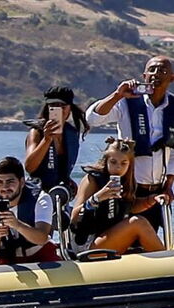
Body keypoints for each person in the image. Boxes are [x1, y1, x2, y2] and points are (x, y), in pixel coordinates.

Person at [86, 56, 174, 230]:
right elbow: (92, 119)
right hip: (128, 189)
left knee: (151, 245)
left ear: (171, 78)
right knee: (123, 237)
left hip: (157, 192)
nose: (156, 74)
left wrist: (168, 186)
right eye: (152, 70)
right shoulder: (127, 101)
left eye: (162, 70)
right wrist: (117, 95)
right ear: (144, 75)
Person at [70, 138, 163, 254]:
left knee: (139, 222)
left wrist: (151, 199)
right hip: (86, 243)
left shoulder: (126, 181)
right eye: (113, 162)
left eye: (123, 163)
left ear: (129, 165)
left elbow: (130, 207)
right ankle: (168, 262)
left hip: (108, 236)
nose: (118, 167)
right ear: (106, 161)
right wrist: (97, 198)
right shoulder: (92, 180)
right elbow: (74, 217)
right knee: (138, 223)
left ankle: (162, 262)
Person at [0, 157, 61, 265]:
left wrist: (17, 225)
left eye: (10, 182)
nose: (5, 187)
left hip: (38, 253)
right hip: (4, 255)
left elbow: (42, 238)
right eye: (0, 182)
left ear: (22, 182)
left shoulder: (40, 198)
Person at [24, 86, 89, 193]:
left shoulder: (72, 133)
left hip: (60, 192)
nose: (59, 109)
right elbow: (29, 167)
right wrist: (47, 139)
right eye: (53, 106)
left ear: (70, 108)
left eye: (62, 106)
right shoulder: (37, 132)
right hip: (38, 193)